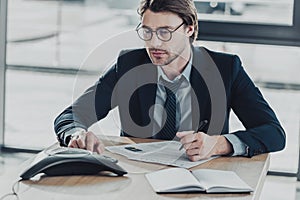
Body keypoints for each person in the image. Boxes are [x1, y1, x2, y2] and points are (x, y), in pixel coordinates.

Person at [54, 0, 285, 161]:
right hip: (138, 175)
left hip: (199, 180)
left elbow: (273, 133)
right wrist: (77, 134)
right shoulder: (129, 65)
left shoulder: (225, 69)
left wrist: (218, 144)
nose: (154, 43)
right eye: (147, 32)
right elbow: (71, 116)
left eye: (165, 32)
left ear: (189, 29)